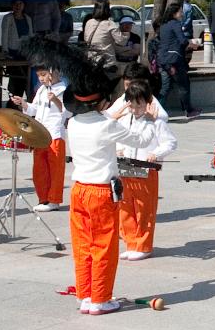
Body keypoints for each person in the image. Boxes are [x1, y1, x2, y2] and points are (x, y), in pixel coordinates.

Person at [66, 74, 160, 316]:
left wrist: (112, 113)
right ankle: (101, 298)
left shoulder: (73, 122)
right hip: (100, 190)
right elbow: (141, 139)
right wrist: (150, 120)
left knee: (82, 245)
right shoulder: (106, 125)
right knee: (104, 246)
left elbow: (102, 120)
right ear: (102, 102)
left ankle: (85, 295)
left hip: (79, 189)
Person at [109, 64, 176, 261]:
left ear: (148, 103)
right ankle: (131, 242)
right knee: (126, 205)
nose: (136, 109)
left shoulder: (155, 120)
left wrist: (156, 153)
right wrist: (117, 149)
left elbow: (170, 142)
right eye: (132, 105)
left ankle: (144, 245)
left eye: (140, 105)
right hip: (125, 167)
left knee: (144, 209)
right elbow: (114, 134)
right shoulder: (125, 118)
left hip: (146, 169)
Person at [12, 67, 69, 212]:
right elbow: (34, 109)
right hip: (40, 133)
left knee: (55, 169)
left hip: (55, 133)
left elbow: (68, 112)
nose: (41, 79)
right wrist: (23, 103)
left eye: (43, 75)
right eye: (39, 76)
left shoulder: (64, 89)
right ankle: (43, 197)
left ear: (54, 72)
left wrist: (56, 100)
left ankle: (54, 200)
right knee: (39, 168)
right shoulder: (41, 90)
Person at [157, 3, 200, 120]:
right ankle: (189, 110)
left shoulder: (163, 25)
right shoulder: (175, 24)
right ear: (174, 13)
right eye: (180, 11)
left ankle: (156, 111)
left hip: (163, 59)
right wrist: (193, 45)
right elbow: (182, 40)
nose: (182, 13)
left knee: (165, 87)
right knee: (183, 85)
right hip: (174, 60)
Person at [0, 0, 32, 103]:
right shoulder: (8, 18)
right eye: (15, 4)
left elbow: (31, 36)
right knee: (14, 80)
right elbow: (4, 35)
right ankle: (12, 102)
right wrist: (5, 51)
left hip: (25, 53)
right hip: (12, 53)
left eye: (20, 4)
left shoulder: (28, 18)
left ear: (24, 5)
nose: (18, 6)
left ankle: (21, 102)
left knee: (25, 79)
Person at [81, 0, 126, 70]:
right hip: (107, 63)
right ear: (107, 9)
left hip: (92, 61)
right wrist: (125, 32)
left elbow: (86, 39)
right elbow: (121, 41)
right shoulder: (110, 24)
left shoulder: (89, 22)